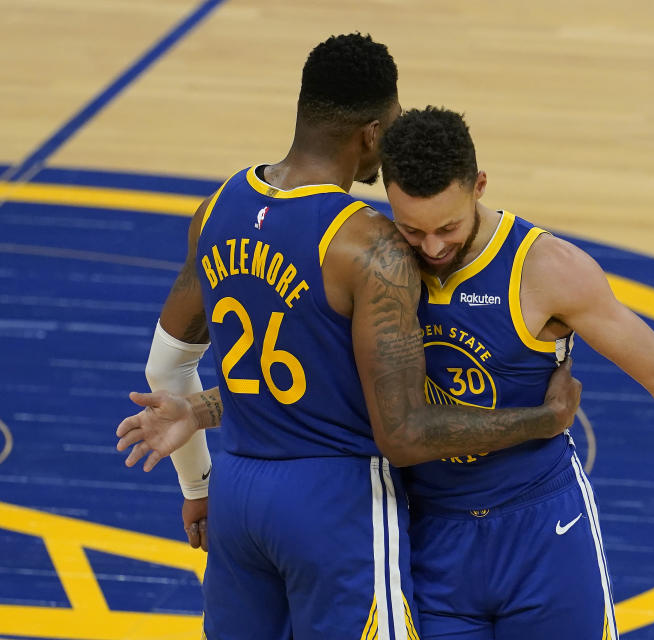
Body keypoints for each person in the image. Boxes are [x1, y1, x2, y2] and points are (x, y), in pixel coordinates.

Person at [120, 106, 654, 638]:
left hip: (540, 529)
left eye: (448, 228)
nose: (431, 246)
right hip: (431, 534)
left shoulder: (546, 270)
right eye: (413, 227)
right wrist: (208, 408)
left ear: (480, 186)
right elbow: (306, 374)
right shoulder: (376, 264)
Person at [126, 35, 582, 640]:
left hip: (237, 494)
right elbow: (405, 433)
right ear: (371, 134)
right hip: (333, 504)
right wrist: (543, 419)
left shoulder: (216, 209)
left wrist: (198, 485)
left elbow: (165, 371)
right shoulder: (368, 243)